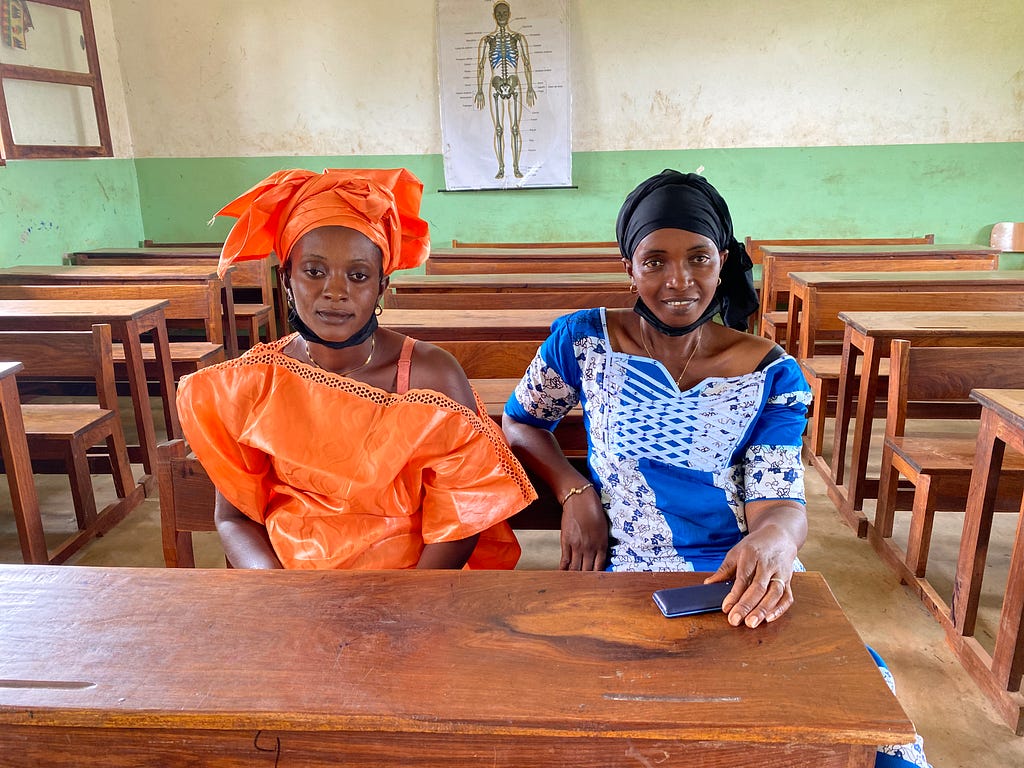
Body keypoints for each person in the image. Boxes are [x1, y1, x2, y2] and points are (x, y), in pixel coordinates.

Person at [502, 170, 930, 768]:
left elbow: (776, 500)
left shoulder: (772, 374)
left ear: (722, 260)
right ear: (628, 264)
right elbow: (522, 422)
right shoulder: (584, 341)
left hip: (740, 572)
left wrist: (777, 541)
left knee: (858, 730)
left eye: (699, 258)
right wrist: (574, 492)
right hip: (630, 568)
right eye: (655, 261)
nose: (678, 281)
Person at [176, 167, 535, 570]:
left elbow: (464, 516)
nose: (335, 291)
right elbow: (234, 517)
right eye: (314, 271)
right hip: (292, 591)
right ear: (287, 279)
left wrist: (402, 611)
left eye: (358, 276)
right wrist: (281, 594)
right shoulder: (252, 384)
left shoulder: (431, 376)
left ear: (381, 286)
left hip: (411, 592)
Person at [474, 0, 536, 179]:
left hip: (514, 82)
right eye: (499, 14)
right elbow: (480, 66)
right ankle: (501, 167)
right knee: (499, 128)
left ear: (510, 15)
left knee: (516, 128)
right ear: (494, 16)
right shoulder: (487, 40)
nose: (502, 17)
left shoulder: (518, 38)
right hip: (495, 85)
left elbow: (526, 62)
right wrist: (479, 89)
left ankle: (516, 167)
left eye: (505, 13)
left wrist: (530, 87)